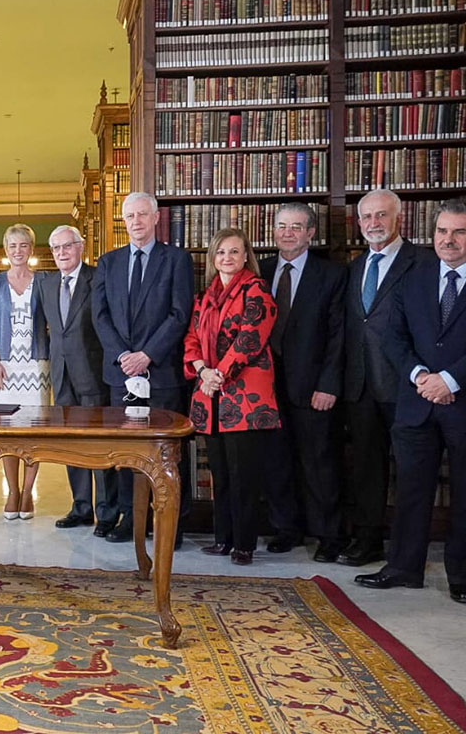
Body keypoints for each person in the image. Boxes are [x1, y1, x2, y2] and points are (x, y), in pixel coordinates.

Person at [357, 199, 466, 605]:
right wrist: (421, 376)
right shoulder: (416, 274)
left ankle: (462, 574)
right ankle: (403, 568)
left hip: (461, 399)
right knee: (411, 489)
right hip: (418, 399)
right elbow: (393, 336)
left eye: (458, 232)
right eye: (442, 232)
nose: (448, 240)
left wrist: (451, 379)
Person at [341, 189, 436, 567]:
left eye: (381, 216)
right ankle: (368, 542)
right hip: (361, 385)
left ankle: (406, 552)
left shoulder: (424, 263)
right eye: (367, 217)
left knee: (413, 473)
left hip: (408, 385)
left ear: (399, 219)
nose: (373, 224)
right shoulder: (355, 267)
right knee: (366, 469)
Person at [92, 192, 194, 543]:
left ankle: (172, 521)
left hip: (161, 371)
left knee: (166, 451)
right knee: (126, 450)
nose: (135, 221)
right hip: (121, 374)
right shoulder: (108, 262)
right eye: (129, 216)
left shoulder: (176, 260)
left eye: (141, 215)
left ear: (155, 218)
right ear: (124, 221)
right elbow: (100, 315)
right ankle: (130, 519)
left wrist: (147, 354)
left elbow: (180, 313)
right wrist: (124, 355)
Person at [183, 228, 280, 566]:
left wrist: (218, 375)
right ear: (213, 258)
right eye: (221, 252)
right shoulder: (206, 295)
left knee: (244, 477)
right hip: (210, 397)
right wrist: (202, 372)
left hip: (245, 399)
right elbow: (191, 337)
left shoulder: (256, 289)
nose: (227, 258)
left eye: (234, 252)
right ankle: (222, 538)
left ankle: (244, 544)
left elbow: (250, 339)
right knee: (220, 475)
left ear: (245, 256)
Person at [259, 201, 347, 562]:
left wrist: (328, 384)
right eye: (282, 226)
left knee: (319, 461)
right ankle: (286, 528)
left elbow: (339, 336)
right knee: (276, 461)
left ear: (311, 232)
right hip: (264, 386)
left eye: (296, 226)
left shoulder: (331, 274)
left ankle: (329, 534)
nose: (288, 232)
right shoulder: (259, 271)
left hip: (313, 387)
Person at [37, 225, 107, 531]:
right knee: (71, 445)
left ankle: (106, 512)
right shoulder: (48, 283)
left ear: (80, 247)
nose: (62, 253)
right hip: (62, 375)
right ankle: (80, 507)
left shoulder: (98, 277)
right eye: (56, 248)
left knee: (97, 445)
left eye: (67, 246)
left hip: (93, 373)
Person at [0, 223, 50, 520]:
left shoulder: (44, 281)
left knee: (33, 431)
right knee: (7, 431)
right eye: (12, 246)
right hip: (4, 366)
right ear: (6, 250)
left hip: (36, 365)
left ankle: (27, 492)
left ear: (31, 249)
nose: (18, 251)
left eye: (23, 245)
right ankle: (11, 491)